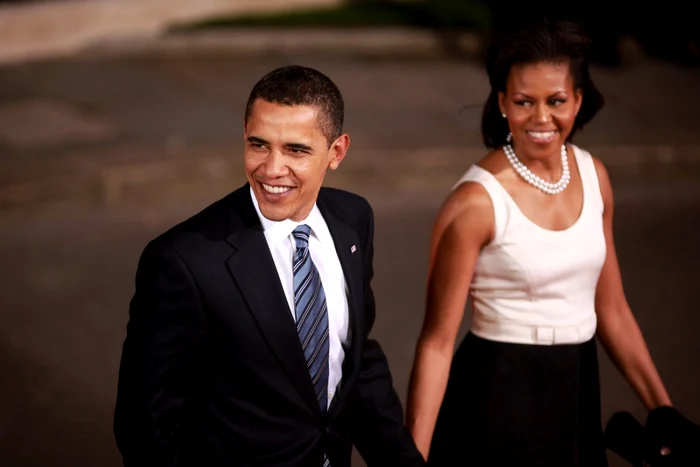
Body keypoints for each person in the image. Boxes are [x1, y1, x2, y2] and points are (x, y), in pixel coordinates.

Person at [114, 65, 425, 467]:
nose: (271, 169)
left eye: (295, 150)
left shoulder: (353, 220)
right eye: (259, 145)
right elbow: (145, 427)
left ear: (337, 152)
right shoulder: (183, 260)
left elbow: (355, 360)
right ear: (244, 134)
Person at [406, 19, 676, 466]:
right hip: (497, 396)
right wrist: (411, 457)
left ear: (579, 100)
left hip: (576, 388)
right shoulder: (475, 202)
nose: (541, 118)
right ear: (502, 104)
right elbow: (436, 342)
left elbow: (611, 308)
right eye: (523, 102)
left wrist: (662, 410)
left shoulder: (595, 176)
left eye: (556, 101)